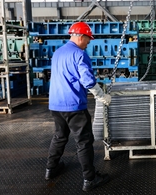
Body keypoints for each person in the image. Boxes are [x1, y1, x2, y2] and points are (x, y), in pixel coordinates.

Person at [45, 21, 111, 192]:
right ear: (81, 37)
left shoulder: (58, 53)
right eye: (87, 40)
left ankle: (50, 169)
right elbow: (87, 80)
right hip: (73, 106)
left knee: (60, 136)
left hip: (55, 104)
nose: (88, 44)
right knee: (83, 142)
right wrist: (101, 96)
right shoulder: (79, 54)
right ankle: (90, 179)